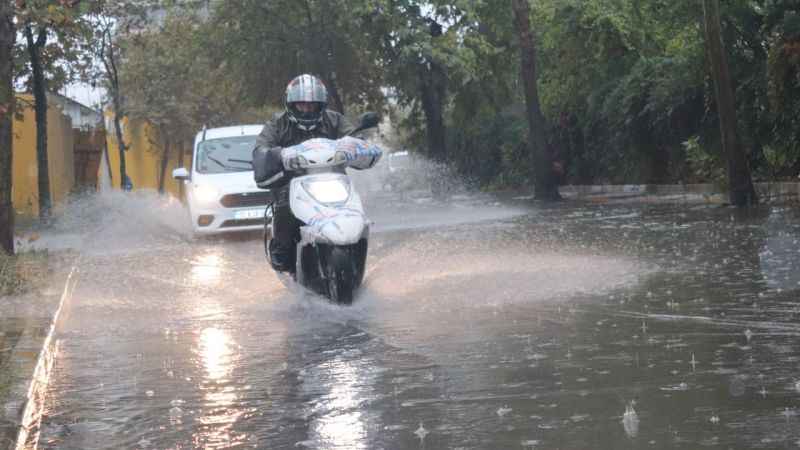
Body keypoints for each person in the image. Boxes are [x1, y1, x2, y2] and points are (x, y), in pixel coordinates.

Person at [252, 74, 355, 273]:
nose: (307, 109)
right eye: (301, 105)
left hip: (333, 179)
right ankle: (281, 248)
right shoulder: (277, 124)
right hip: (291, 182)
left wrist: (359, 145)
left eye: (312, 105)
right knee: (284, 204)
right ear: (291, 104)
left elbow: (354, 138)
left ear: (321, 105)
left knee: (353, 200)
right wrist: (274, 155)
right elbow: (261, 149)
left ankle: (355, 239)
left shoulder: (334, 120)